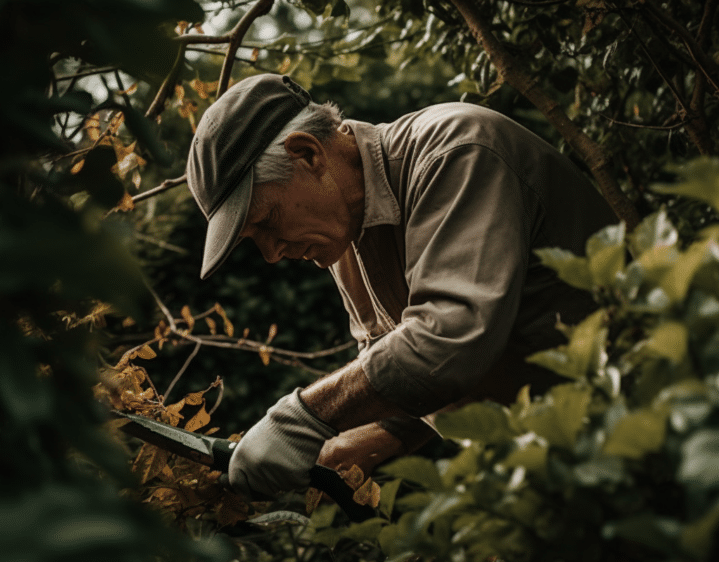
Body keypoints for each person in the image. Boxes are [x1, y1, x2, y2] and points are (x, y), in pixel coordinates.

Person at [185, 74, 618, 499]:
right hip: (550, 474)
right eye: (253, 242)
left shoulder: (456, 152)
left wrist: (300, 418)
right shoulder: (341, 238)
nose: (271, 253)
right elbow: (408, 374)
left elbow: (449, 338)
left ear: (307, 154)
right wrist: (358, 441)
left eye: (266, 222)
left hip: (636, 430)